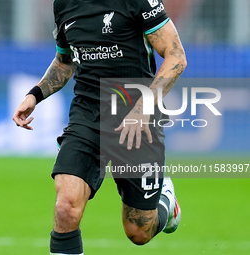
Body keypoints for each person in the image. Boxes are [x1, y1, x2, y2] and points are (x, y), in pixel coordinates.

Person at [13, 0, 187, 254]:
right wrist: (35, 94)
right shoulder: (64, 4)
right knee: (66, 206)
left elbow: (176, 57)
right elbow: (64, 61)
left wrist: (141, 108)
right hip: (88, 115)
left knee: (138, 231)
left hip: (135, 117)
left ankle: (166, 202)